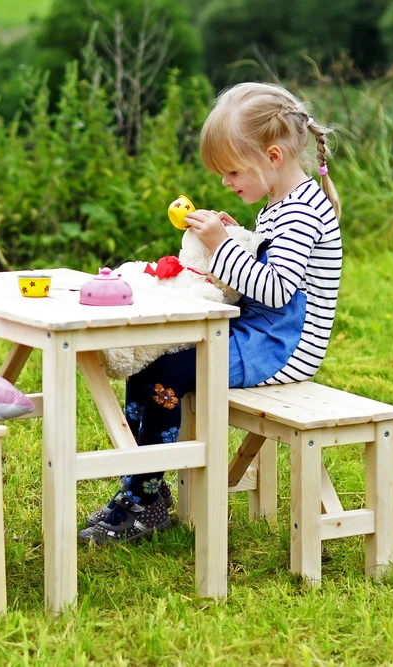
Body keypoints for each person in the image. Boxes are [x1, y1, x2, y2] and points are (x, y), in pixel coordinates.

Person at [79, 82, 343, 543]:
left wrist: (222, 247)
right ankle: (142, 487)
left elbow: (278, 290)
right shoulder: (281, 204)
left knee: (163, 375)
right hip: (257, 333)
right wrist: (239, 236)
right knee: (148, 367)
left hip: (284, 347)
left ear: (273, 157)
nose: (225, 182)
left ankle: (145, 499)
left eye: (233, 171)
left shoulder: (302, 212)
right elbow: (267, 263)